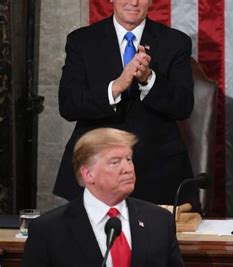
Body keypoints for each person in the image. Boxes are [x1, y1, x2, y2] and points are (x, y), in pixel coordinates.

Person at [53, 0, 200, 210]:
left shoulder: (175, 42)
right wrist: (115, 88)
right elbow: (69, 105)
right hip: (96, 167)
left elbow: (183, 106)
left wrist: (148, 79)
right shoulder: (82, 41)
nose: (134, 2)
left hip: (158, 171)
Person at [22, 128, 184, 267]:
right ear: (88, 173)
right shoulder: (48, 231)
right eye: (115, 162)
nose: (128, 169)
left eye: (129, 159)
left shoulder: (160, 221)